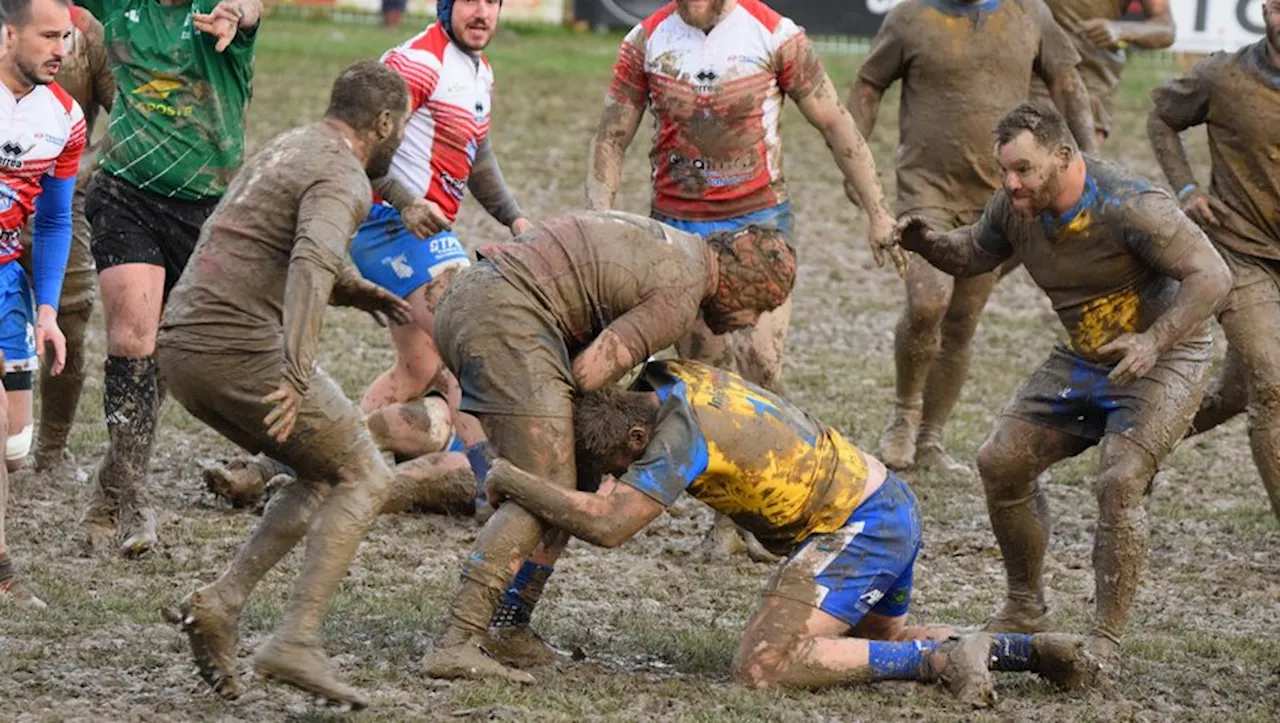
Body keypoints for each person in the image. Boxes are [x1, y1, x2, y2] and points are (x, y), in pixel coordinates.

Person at [482, 359, 1101, 704]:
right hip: (885, 504)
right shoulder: (665, 378)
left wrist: (511, 476)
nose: (618, 483)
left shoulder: (676, 439)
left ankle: (939, 660)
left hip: (856, 525)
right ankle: (1028, 651)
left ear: (636, 441)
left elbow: (610, 526)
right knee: (867, 640)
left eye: (621, 470)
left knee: (764, 666)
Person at [891, 103, 1231, 664]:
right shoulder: (1016, 206)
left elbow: (1212, 275)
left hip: (1169, 355)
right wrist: (926, 241)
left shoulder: (1132, 205)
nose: (1010, 182)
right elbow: (975, 251)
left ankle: (1105, 641)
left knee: (1120, 481)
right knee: (1001, 461)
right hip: (1085, 356)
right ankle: (1026, 605)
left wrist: (1154, 341)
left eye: (1022, 169)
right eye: (1004, 171)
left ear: (1065, 157)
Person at [422, 210, 797, 683]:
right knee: (547, 489)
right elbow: (590, 374)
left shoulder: (678, 246)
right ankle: (455, 640)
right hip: (504, 316)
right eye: (758, 307)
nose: (749, 322)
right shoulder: (680, 294)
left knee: (564, 479)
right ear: (743, 282)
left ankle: (510, 625)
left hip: (483, 299)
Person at [588, 0, 902, 561]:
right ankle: (727, 523)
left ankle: (785, 502)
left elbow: (834, 121)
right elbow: (612, 135)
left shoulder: (776, 35)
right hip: (679, 232)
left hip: (759, 228)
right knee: (704, 382)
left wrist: (877, 211)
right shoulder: (646, 40)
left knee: (761, 366)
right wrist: (601, 215)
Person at [156, 61, 417, 709]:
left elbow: (273, 240)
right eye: (402, 126)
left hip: (183, 341)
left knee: (322, 471)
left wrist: (355, 292)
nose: (402, 139)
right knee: (369, 475)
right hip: (234, 348)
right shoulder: (343, 174)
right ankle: (295, 639)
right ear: (383, 123)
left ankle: (220, 602)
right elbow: (310, 259)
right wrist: (297, 372)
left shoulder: (294, 144)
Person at [850, 0, 1097, 475]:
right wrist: (854, 158)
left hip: (1001, 197)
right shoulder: (910, 18)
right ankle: (903, 416)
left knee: (963, 320)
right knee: (928, 301)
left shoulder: (1029, 15)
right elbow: (867, 85)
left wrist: (1088, 161)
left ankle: (930, 439)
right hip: (927, 189)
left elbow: (1067, 82)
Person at [77, 0, 260, 558]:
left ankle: (111, 485)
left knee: (167, 357)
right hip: (124, 194)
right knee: (132, 341)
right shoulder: (119, 7)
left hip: (208, 208)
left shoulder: (216, 10)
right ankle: (135, 501)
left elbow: (250, 9)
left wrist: (242, 16)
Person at [353, 0, 528, 418]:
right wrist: (405, 202)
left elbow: (478, 156)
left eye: (492, 2)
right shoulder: (414, 64)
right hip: (387, 226)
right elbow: (358, 146)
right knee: (476, 346)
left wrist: (515, 218)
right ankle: (475, 474)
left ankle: (307, 464)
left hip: (428, 232)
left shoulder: (480, 71)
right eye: (470, 0)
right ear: (445, 6)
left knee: (418, 372)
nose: (482, 12)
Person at [1147, 0, 1280, 521]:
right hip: (1242, 252)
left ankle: (1141, 444)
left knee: (1233, 395)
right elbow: (1161, 115)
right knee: (1272, 386)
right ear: (1266, 9)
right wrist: (1185, 188)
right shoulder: (1223, 76)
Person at [0, 0, 87, 606]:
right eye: (49, 36)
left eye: (68, 37)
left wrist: (48, 311)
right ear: (9, 34)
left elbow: (54, 222)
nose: (62, 49)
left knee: (14, 445)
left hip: (9, 282)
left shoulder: (66, 117)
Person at [16, 1, 113, 474]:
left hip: (61, 196)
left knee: (68, 316)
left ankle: (50, 449)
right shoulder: (10, 24)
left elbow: (132, 115)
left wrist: (83, 169)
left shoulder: (86, 31)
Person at [1031, 0, 1174, 149]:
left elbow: (1166, 28)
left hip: (1088, 72)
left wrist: (1120, 30)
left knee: (1074, 155)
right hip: (1032, 66)